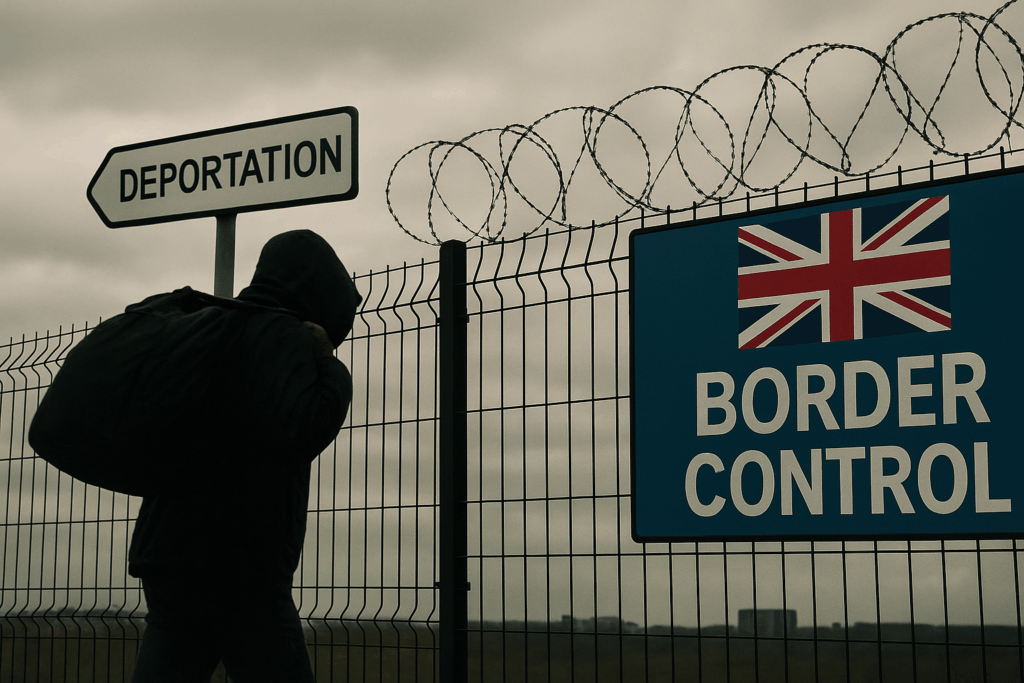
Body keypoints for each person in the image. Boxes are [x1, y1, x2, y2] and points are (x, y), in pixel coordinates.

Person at [128, 230, 361, 683]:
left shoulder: (211, 324)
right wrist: (330, 367)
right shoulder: (279, 332)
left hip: (170, 554)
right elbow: (303, 427)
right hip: (241, 563)